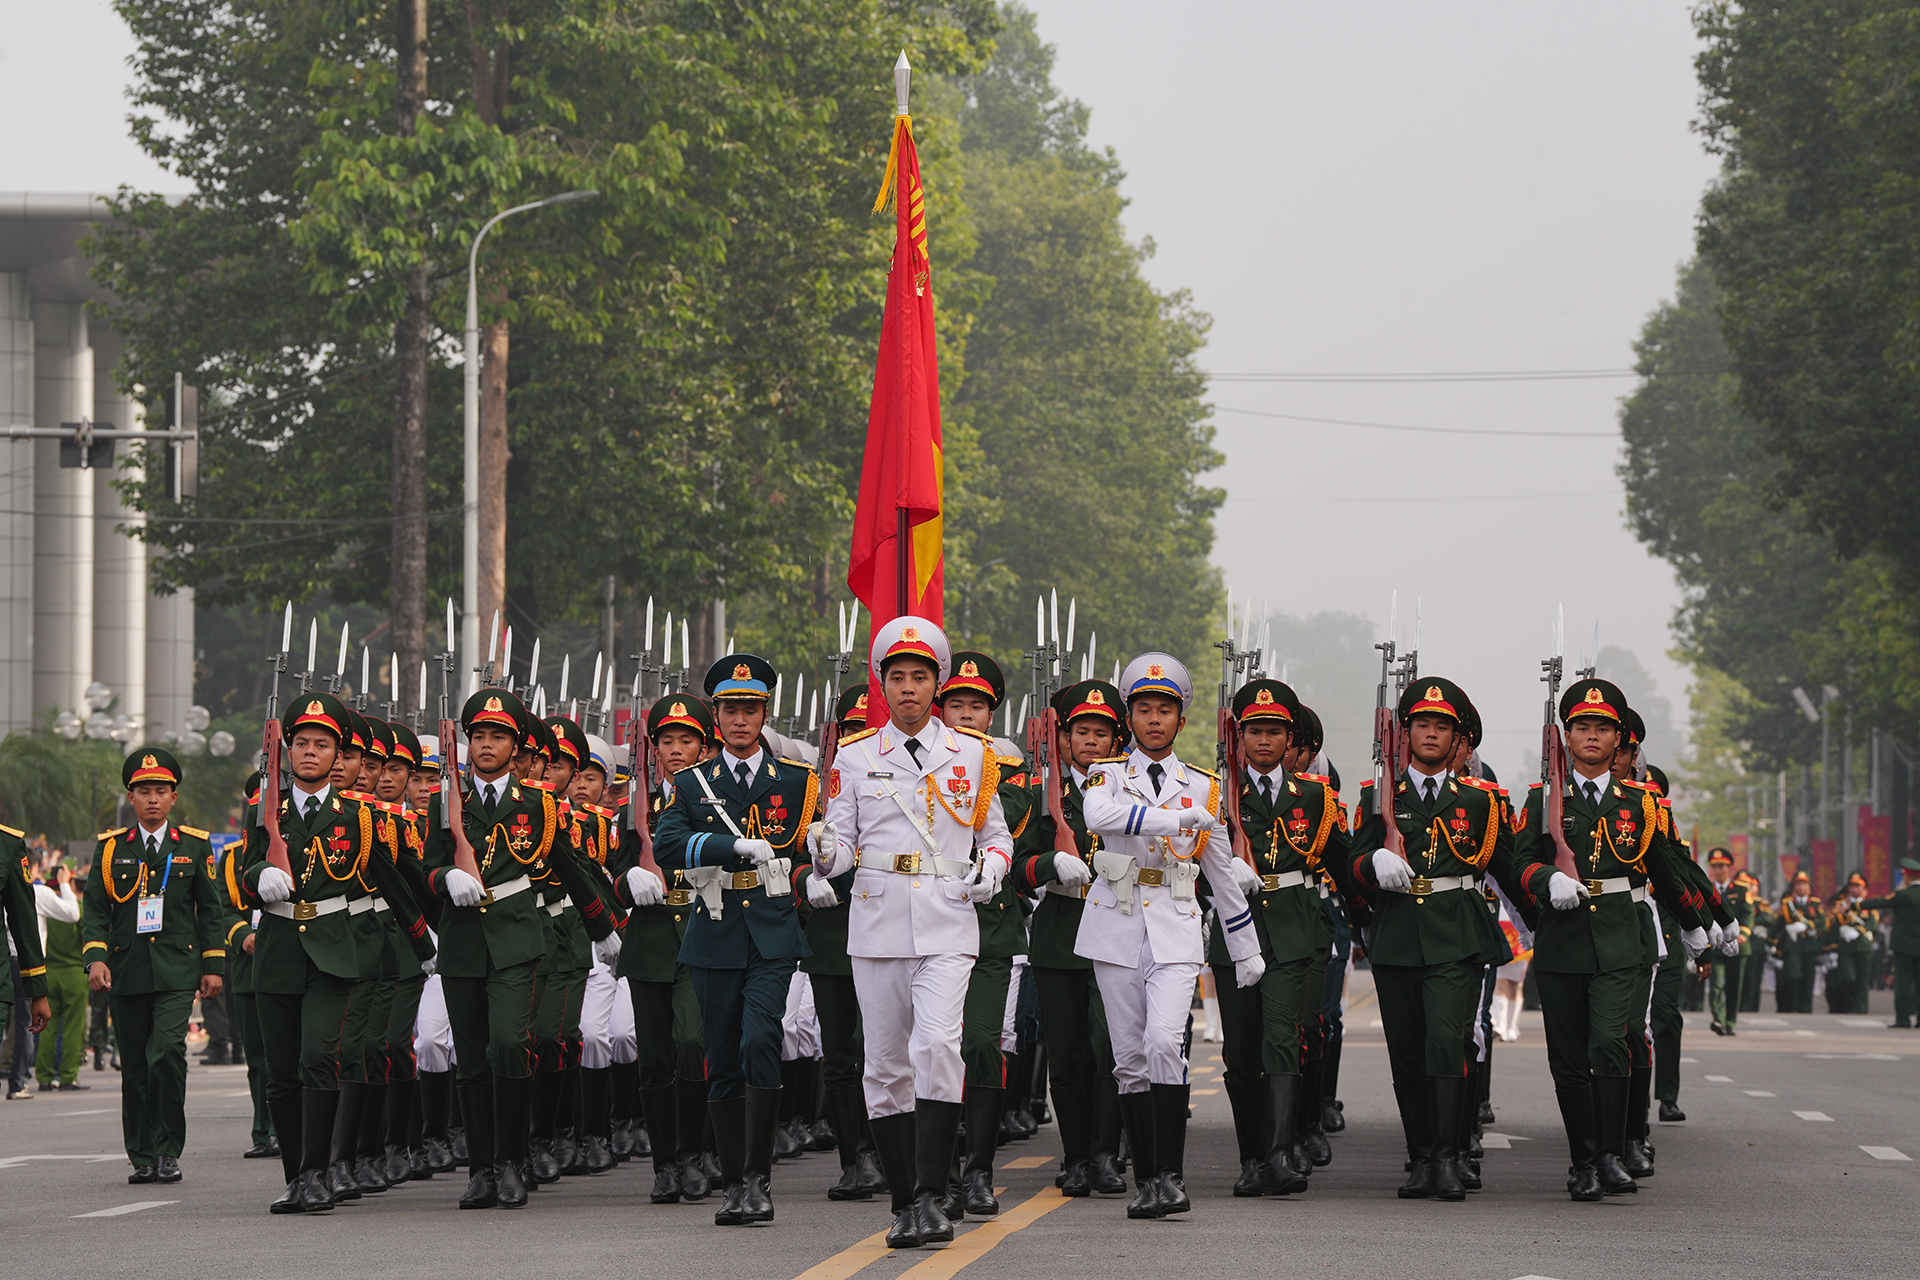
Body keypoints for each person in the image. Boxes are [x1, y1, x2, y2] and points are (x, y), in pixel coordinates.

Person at [815, 616, 1014, 1248]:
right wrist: (824, 853)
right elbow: (842, 846)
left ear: (937, 684)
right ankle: (904, 1202)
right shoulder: (854, 756)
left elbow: (997, 837)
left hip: (949, 918)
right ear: (880, 684)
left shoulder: (975, 754)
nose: (908, 688)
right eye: (896, 677)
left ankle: (933, 1193)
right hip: (876, 921)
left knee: (937, 1046)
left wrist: (995, 869)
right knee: (885, 1064)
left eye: (919, 677)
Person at [1497, 679, 1702, 1203]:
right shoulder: (1543, 798)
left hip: (1617, 939)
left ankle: (1611, 1155)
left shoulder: (1640, 802)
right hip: (1564, 940)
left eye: (1603, 728)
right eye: (1582, 727)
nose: (1592, 736)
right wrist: (1547, 881)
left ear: (1619, 741)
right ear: (1566, 736)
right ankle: (1583, 1161)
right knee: (1567, 1058)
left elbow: (1664, 867)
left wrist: (1694, 922)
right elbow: (1519, 862)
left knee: (1610, 1041)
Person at [1075, 652, 1262, 1221]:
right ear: (1128, 717)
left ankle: (1172, 1176)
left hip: (1176, 927)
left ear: (1181, 721)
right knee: (1129, 1058)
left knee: (1163, 1043)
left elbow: (1222, 874)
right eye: (1143, 709)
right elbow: (1097, 819)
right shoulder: (1107, 774)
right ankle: (1148, 1179)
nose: (1154, 720)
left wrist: (1245, 946)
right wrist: (1173, 821)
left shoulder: (1203, 788)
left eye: (1165, 710)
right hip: (1116, 924)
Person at [654, 653, 817, 1227]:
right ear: (716, 717)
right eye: (729, 710)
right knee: (720, 1056)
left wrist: (817, 873)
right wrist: (729, 848)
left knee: (757, 1041)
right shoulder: (693, 783)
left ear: (765, 713)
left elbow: (810, 851)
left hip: (772, 931)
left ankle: (758, 1177)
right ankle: (733, 1185)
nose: (740, 720)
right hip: (717, 930)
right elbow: (670, 844)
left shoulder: (796, 782)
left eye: (750, 709)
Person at [1347, 677, 1508, 1202]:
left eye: (1442, 726)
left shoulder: (1482, 800)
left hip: (1456, 933)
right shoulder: (1379, 796)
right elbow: (1350, 865)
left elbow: (1506, 864)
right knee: (1408, 1051)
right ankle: (1421, 1157)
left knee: (1446, 1038)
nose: (1432, 734)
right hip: (1397, 935)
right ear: (1405, 733)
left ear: (1458, 739)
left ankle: (1447, 1155)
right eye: (1422, 725)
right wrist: (1373, 860)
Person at [1209, 678, 1346, 1198]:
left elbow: (1343, 861)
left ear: (1290, 741)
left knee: (1282, 1040)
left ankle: (1279, 1154)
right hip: (1234, 933)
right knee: (1241, 1051)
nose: (1264, 742)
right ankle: (1250, 1158)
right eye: (1255, 732)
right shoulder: (1215, 794)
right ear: (1238, 738)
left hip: (1291, 931)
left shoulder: (1313, 796)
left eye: (1274, 733)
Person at [80, 747, 228, 1185]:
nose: (152, 799)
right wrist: (95, 959)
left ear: (173, 798)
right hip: (125, 971)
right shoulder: (110, 850)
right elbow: (95, 910)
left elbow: (211, 909)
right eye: (144, 791)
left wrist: (213, 964)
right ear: (131, 797)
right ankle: (142, 1154)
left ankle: (168, 1150)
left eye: (160, 791)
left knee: (166, 1053)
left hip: (177, 970)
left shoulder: (195, 846)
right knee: (136, 1066)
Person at [1008, 679, 1129, 1199]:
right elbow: (1016, 865)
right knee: (1069, 1052)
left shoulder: (1129, 788)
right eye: (1081, 730)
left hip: (1118, 927)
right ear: (1063, 737)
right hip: (1062, 934)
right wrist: (1047, 865)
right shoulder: (1043, 792)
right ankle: (1077, 1156)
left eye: (1102, 733)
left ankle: (1106, 1154)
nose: (1091, 741)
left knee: (1110, 1046)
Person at [933, 651, 1033, 1218]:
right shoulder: (922, 762)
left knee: (980, 1044)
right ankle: (942, 1173)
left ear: (992, 713)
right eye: (957, 704)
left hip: (991, 927)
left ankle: (979, 1172)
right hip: (934, 920)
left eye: (978, 706)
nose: (966, 714)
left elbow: (1005, 816)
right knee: (938, 1049)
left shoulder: (1005, 768)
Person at [610, 693, 719, 1204]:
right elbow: (611, 870)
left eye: (687, 740)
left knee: (693, 1044)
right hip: (652, 940)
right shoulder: (637, 807)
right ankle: (665, 1164)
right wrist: (627, 877)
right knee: (654, 1056)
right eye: (667, 741)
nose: (676, 750)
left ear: (705, 744)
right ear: (652, 748)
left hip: (704, 929)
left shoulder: (719, 802)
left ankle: (695, 1153)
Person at [791, 685, 889, 1202]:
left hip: (886, 922)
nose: (858, 737)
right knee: (840, 1053)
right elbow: (785, 848)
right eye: (850, 729)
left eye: (864, 728)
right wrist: (808, 874)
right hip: (831, 933)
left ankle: (889, 1150)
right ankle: (856, 1159)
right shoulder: (813, 789)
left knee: (885, 1047)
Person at [0, 822, 51, 1100]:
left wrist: (38, 991)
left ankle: (17, 1079)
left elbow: (24, 924)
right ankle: (17, 1079)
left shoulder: (6, 844)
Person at [32, 863, 87, 1092]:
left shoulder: (44, 907)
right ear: (69, 882)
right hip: (75, 973)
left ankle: (44, 1076)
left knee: (47, 1026)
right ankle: (68, 1077)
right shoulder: (76, 908)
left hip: (48, 973)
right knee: (73, 1028)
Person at [1862, 858, 1920, 1028]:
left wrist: (1857, 906)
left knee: (1903, 982)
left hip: (1903, 946)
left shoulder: (1903, 895)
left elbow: (1880, 902)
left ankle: (1903, 1018)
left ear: (1908, 878)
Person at [1703, 848, 1751, 1039]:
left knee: (1734, 986)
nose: (1718, 870)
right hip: (1715, 945)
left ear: (1729, 867)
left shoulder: (1741, 890)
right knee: (1716, 984)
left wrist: (1743, 933)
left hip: (1737, 945)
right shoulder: (1706, 889)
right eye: (1714, 866)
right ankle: (1719, 1020)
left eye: (1722, 866)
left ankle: (1730, 1022)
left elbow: (1748, 914)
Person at [1833, 874, 1877, 1016]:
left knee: (1862, 981)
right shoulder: (1841, 905)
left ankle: (1861, 1008)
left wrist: (1859, 930)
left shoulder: (1869, 906)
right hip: (1846, 947)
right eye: (1852, 886)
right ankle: (1850, 1005)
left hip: (1863, 947)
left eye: (1858, 886)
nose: (1854, 889)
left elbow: (1873, 923)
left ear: (1865, 890)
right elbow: (1835, 922)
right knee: (1848, 978)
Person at [1777, 872, 1819, 1014]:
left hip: (1809, 946)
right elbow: (1778, 926)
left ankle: (1806, 1008)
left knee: (1808, 979)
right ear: (1794, 887)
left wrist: (1808, 926)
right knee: (1793, 976)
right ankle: (1793, 1005)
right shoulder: (1787, 905)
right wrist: (1773, 947)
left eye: (1804, 884)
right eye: (1798, 884)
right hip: (1792, 946)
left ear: (1809, 887)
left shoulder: (1815, 904)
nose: (1801, 887)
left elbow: (1823, 923)